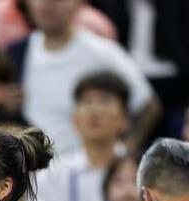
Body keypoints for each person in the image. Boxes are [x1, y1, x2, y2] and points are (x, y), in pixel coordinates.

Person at [12, 0, 160, 154]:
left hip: (86, 164)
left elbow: (149, 105)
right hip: (35, 163)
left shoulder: (101, 52)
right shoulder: (18, 52)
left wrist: (123, 153)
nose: (47, 4)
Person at [37, 71, 130, 201]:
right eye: (86, 102)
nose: (94, 110)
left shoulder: (141, 174)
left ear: (124, 119)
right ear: (74, 119)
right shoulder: (52, 176)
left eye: (105, 101)